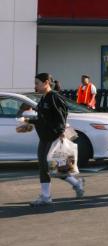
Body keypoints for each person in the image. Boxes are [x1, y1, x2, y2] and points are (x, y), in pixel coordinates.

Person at [24, 73, 84, 206]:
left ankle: (53, 193)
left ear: (46, 83)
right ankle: (48, 195)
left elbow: (62, 114)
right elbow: (43, 117)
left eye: (37, 83)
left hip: (53, 136)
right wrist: (29, 121)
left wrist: (61, 131)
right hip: (44, 137)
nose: (35, 86)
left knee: (53, 166)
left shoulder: (54, 97)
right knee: (46, 167)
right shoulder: (44, 98)